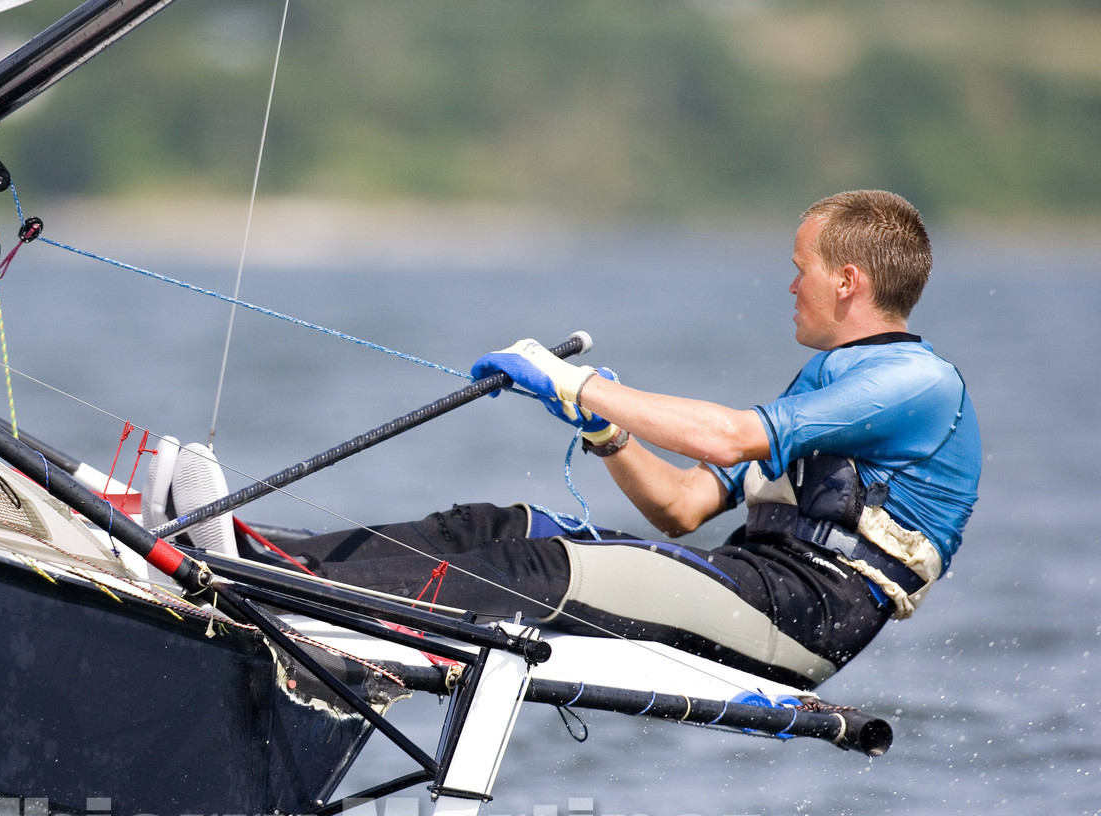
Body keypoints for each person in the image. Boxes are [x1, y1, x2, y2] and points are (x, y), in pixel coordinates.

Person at [168, 191, 981, 689]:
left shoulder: (918, 382)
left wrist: (577, 383)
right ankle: (269, 554)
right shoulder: (828, 387)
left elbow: (732, 440)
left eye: (800, 265)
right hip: (749, 585)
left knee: (546, 571)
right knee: (498, 527)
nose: (790, 282)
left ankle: (271, 589)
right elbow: (682, 506)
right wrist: (606, 430)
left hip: (801, 619)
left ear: (849, 281)